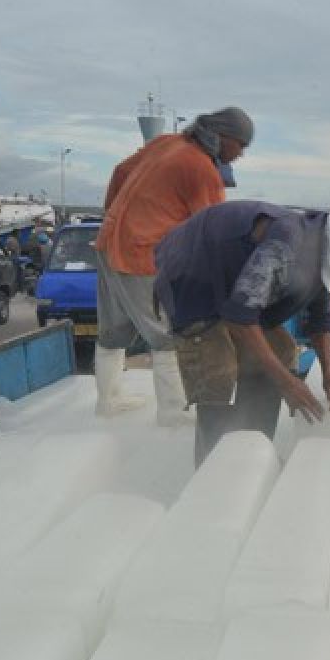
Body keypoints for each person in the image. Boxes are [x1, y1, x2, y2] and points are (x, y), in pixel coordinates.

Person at [155, 200, 330, 465]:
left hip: (233, 287)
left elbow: (321, 320)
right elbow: (240, 316)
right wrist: (287, 383)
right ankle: (213, 466)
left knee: (282, 351)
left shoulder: (325, 253)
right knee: (217, 367)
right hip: (192, 277)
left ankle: (254, 449)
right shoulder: (288, 245)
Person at [94, 106, 254, 425]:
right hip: (143, 254)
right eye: (241, 145)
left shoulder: (166, 142)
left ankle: (108, 401)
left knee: (114, 330)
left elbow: (120, 172)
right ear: (223, 138)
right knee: (166, 333)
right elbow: (213, 233)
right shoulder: (201, 169)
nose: (241, 154)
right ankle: (172, 412)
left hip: (109, 241)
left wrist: (115, 215)